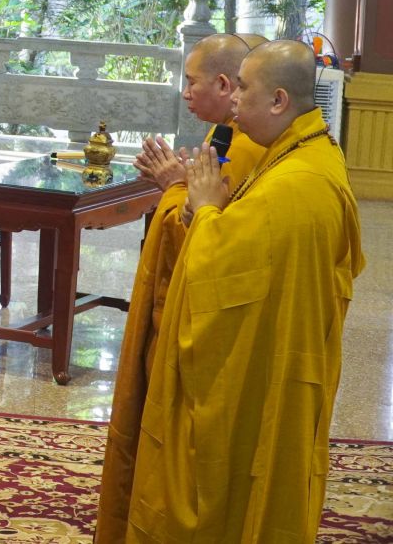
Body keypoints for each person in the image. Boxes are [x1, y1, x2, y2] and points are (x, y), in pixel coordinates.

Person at [123, 40, 362, 542]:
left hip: (266, 369)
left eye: (243, 88)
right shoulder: (302, 151)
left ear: (278, 100)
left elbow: (216, 271)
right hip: (282, 354)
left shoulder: (296, 183)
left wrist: (193, 202)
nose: (233, 99)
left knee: (238, 479)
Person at [94, 34, 267, 543]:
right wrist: (184, 182)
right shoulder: (225, 133)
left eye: (192, 82)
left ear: (226, 84)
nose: (185, 92)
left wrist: (173, 186)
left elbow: (211, 237)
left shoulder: (249, 147)